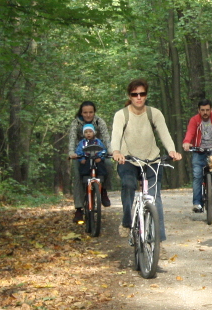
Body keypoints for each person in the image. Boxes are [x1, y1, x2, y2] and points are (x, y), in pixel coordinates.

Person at [109, 79, 182, 239]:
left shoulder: (154, 113)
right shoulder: (121, 115)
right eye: (135, 94)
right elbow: (115, 135)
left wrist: (172, 151)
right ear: (130, 96)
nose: (139, 97)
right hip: (127, 160)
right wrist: (116, 151)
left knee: (154, 198)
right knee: (128, 185)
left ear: (146, 95)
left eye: (142, 94)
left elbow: (164, 133)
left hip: (152, 160)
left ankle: (158, 241)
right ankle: (127, 221)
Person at [67, 101, 112, 222]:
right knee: (77, 174)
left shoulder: (99, 122)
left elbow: (106, 138)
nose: (88, 115)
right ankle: (78, 209)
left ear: (94, 112)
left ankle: (103, 190)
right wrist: (72, 153)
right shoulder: (76, 123)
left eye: (91, 112)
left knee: (108, 164)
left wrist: (111, 151)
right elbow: (72, 139)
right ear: (81, 112)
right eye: (85, 112)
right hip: (81, 154)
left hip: (98, 152)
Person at [181, 99, 212, 214]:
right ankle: (197, 203)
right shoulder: (194, 120)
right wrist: (187, 142)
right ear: (199, 110)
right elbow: (190, 132)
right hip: (198, 150)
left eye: (207, 110)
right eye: (202, 110)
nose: (205, 112)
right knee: (197, 176)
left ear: (211, 110)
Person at [74, 123, 109, 218]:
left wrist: (100, 157)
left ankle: (102, 183)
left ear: (94, 132)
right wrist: (81, 159)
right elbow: (78, 151)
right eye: (86, 132)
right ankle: (85, 178)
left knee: (102, 167)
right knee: (83, 168)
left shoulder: (98, 142)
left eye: (90, 131)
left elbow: (103, 150)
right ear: (83, 134)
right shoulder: (82, 143)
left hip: (96, 159)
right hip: (87, 160)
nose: (88, 134)